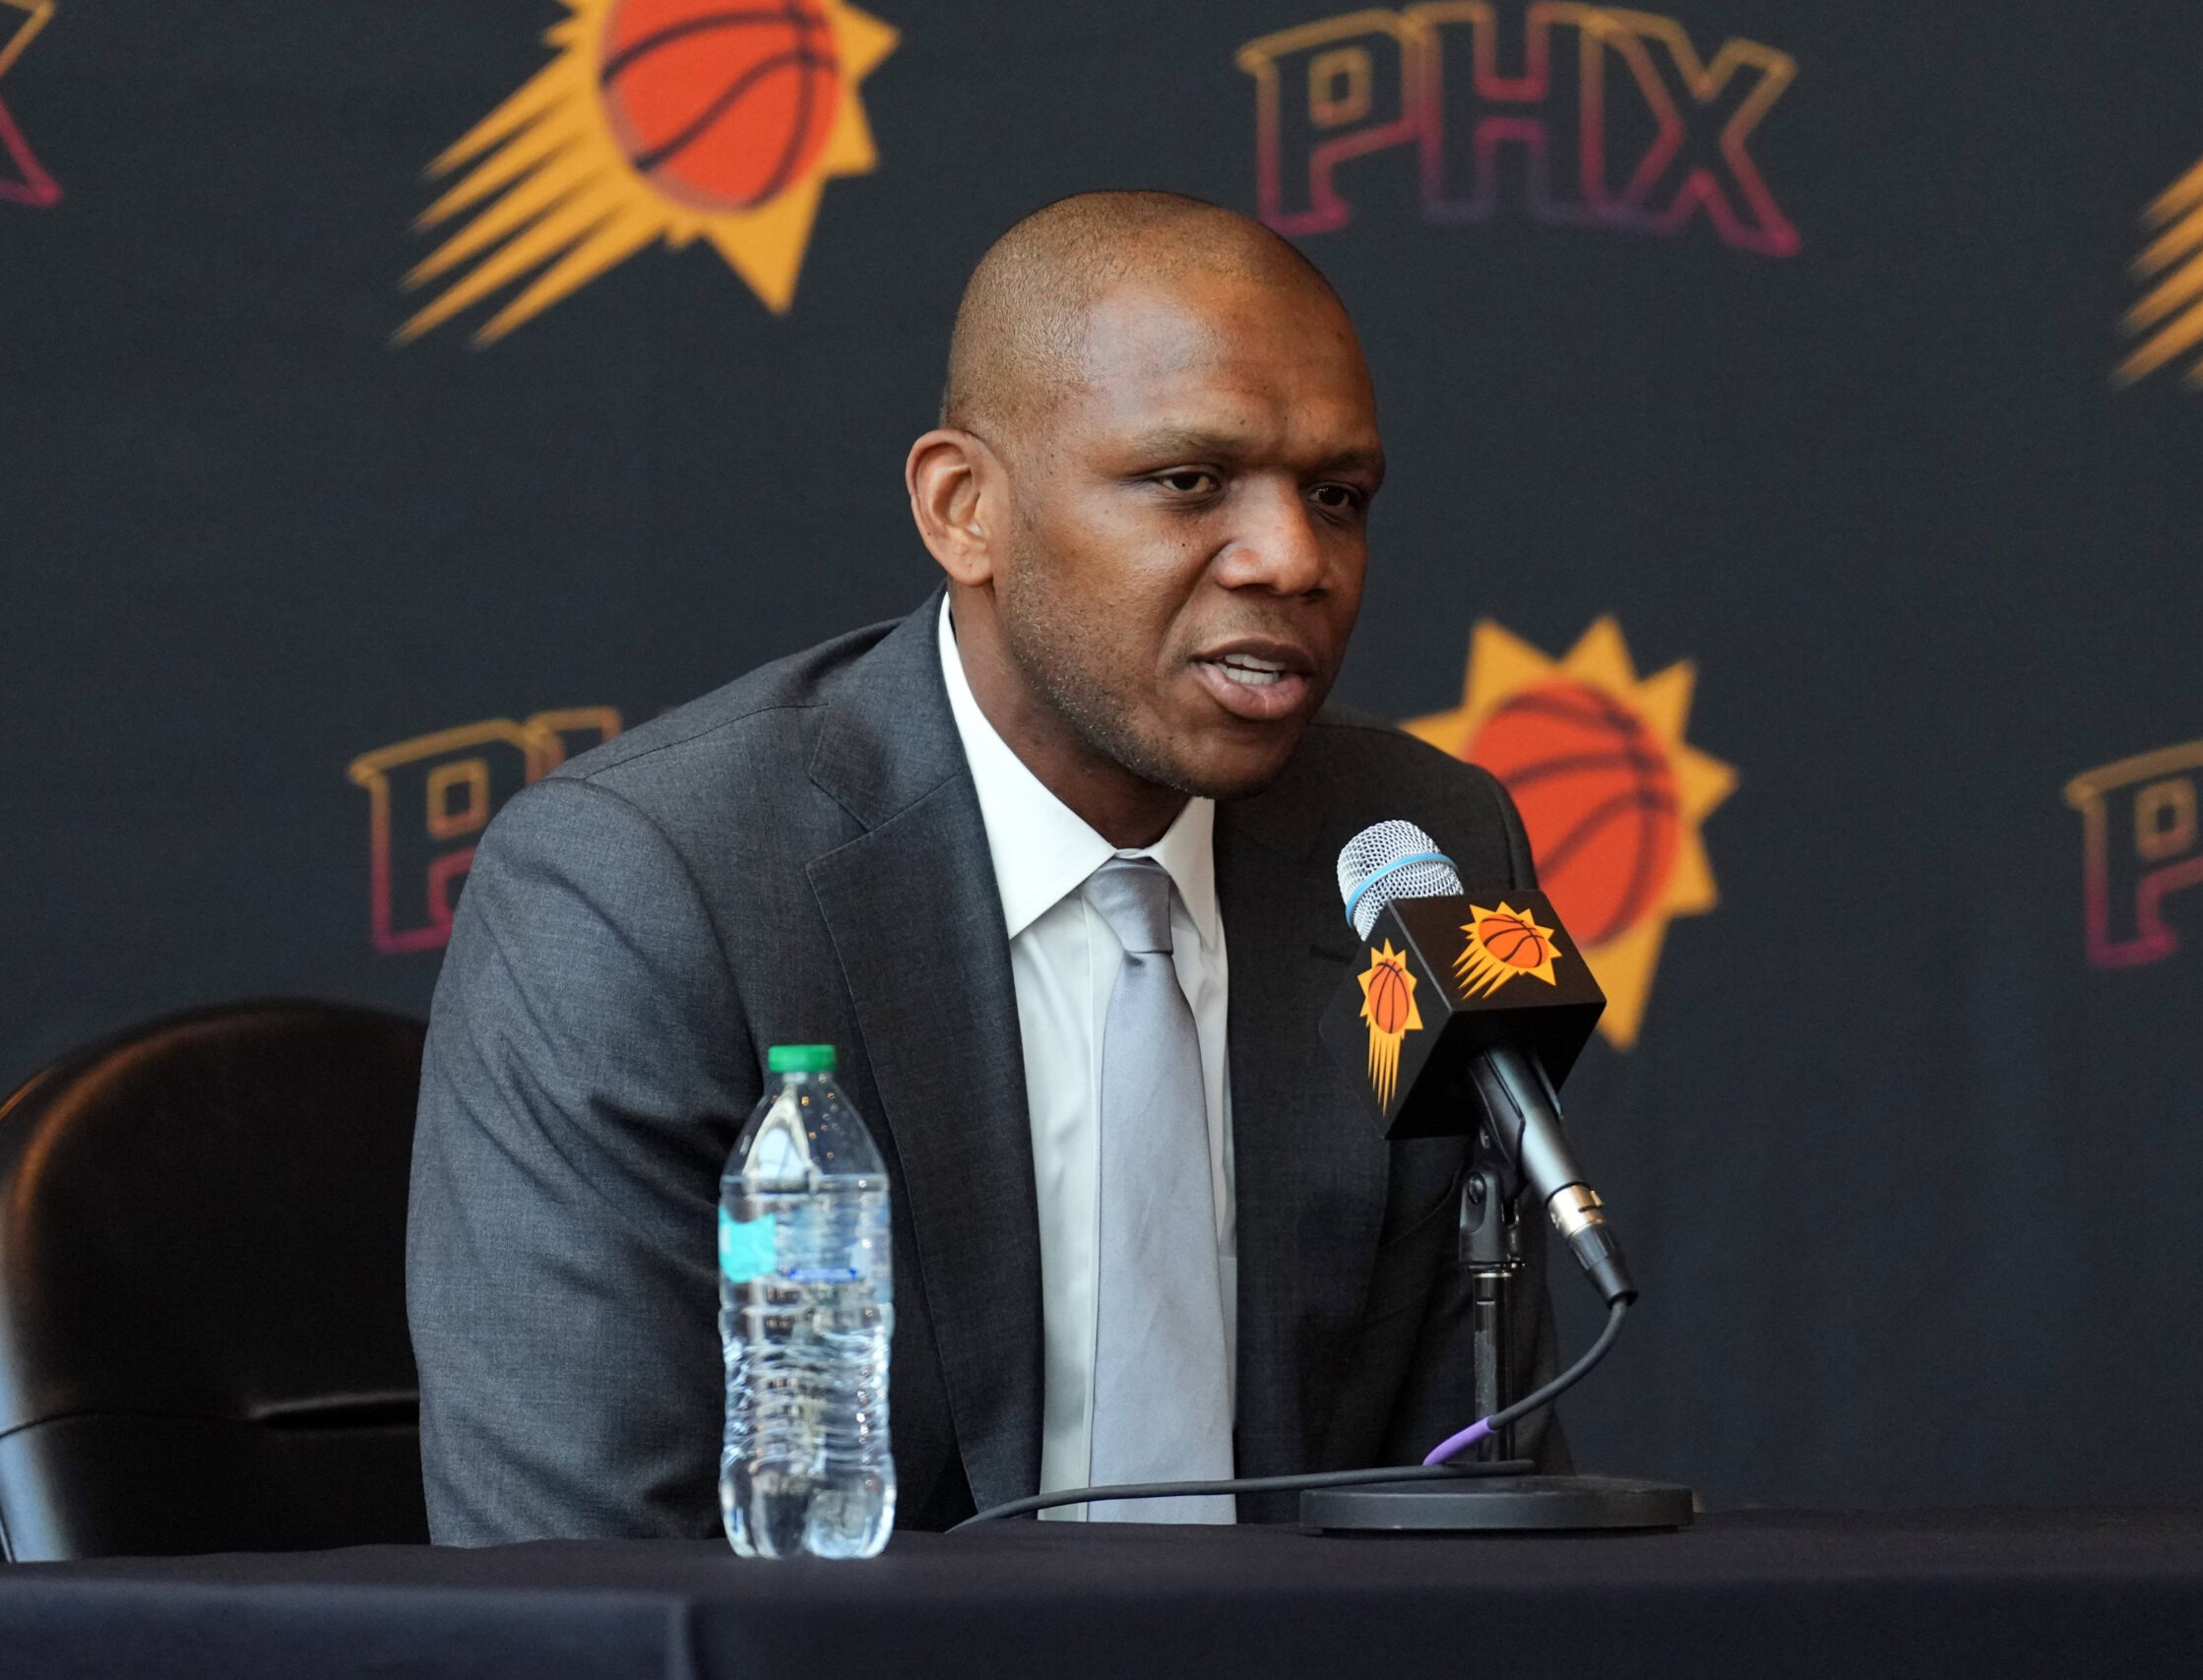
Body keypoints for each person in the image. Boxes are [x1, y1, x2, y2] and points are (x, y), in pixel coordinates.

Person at [407, 190, 1563, 1541]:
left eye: (1338, 496)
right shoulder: (649, 890)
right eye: (1189, 481)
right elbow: (576, 1582)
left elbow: (1471, 1509)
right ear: (966, 510)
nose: (1294, 559)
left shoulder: (1421, 858)